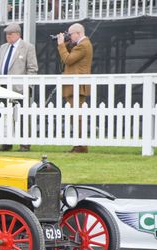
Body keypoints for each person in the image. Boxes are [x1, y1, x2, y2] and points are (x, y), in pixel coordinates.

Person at [0, 22, 38, 152]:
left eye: (11, 34)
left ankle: (24, 144)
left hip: (20, 89)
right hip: (3, 88)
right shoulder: (3, 47)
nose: (8, 37)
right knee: (4, 116)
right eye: (7, 35)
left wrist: (26, 85)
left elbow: (32, 68)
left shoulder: (27, 47)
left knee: (22, 116)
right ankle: (6, 142)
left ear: (18, 34)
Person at [57, 22, 93, 153]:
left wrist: (61, 45)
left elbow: (68, 59)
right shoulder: (80, 44)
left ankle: (81, 145)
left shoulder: (83, 45)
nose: (70, 37)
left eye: (71, 34)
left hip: (77, 85)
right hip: (74, 85)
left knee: (77, 115)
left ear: (78, 33)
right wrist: (66, 43)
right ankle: (79, 144)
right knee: (75, 114)